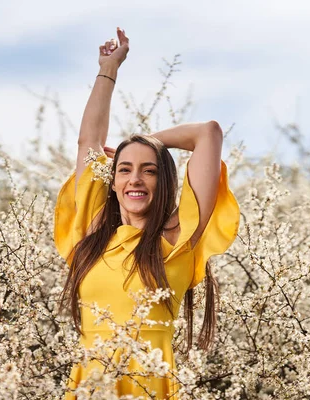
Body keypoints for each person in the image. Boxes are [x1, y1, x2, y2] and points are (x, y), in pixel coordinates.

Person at [54, 27, 240, 399]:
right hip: (92, 384)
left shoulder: (178, 239)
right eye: (124, 169)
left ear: (163, 179)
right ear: (112, 179)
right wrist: (109, 69)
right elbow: (88, 142)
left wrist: (143, 143)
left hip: (151, 384)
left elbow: (208, 133)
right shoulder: (91, 235)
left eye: (149, 170)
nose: (135, 179)